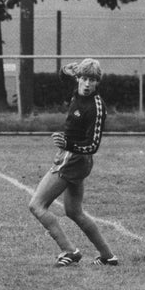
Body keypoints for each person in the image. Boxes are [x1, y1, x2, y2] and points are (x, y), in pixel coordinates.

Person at [28, 58, 118, 267]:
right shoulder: (77, 88)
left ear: (98, 83)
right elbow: (63, 76)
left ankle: (70, 251)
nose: (87, 84)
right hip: (72, 156)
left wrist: (68, 144)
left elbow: (93, 145)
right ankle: (108, 256)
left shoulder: (96, 107)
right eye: (84, 79)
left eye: (93, 80)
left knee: (36, 206)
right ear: (78, 78)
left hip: (75, 158)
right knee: (74, 211)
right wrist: (65, 69)